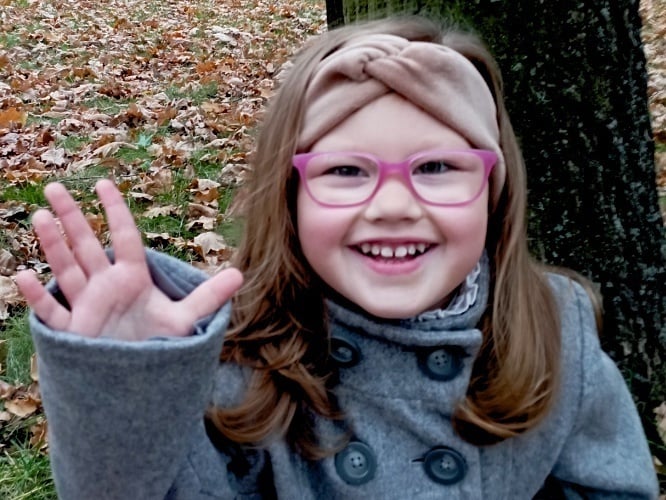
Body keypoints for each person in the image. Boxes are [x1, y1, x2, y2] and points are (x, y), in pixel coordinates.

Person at [16, 15, 659, 499]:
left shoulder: (554, 331)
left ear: (494, 191)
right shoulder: (237, 359)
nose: (393, 205)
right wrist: (129, 390)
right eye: (346, 171)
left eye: (437, 167)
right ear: (290, 196)